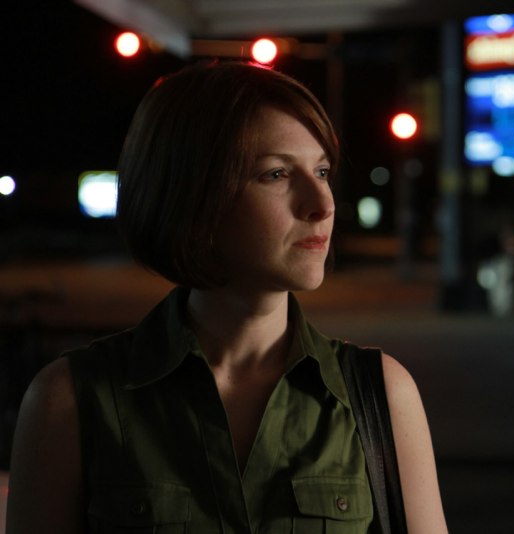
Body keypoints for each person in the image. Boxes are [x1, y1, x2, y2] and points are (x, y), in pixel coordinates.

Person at [6, 60, 448, 533]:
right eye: (277, 174)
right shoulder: (69, 401)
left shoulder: (378, 395)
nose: (322, 205)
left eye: (321, 171)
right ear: (192, 195)